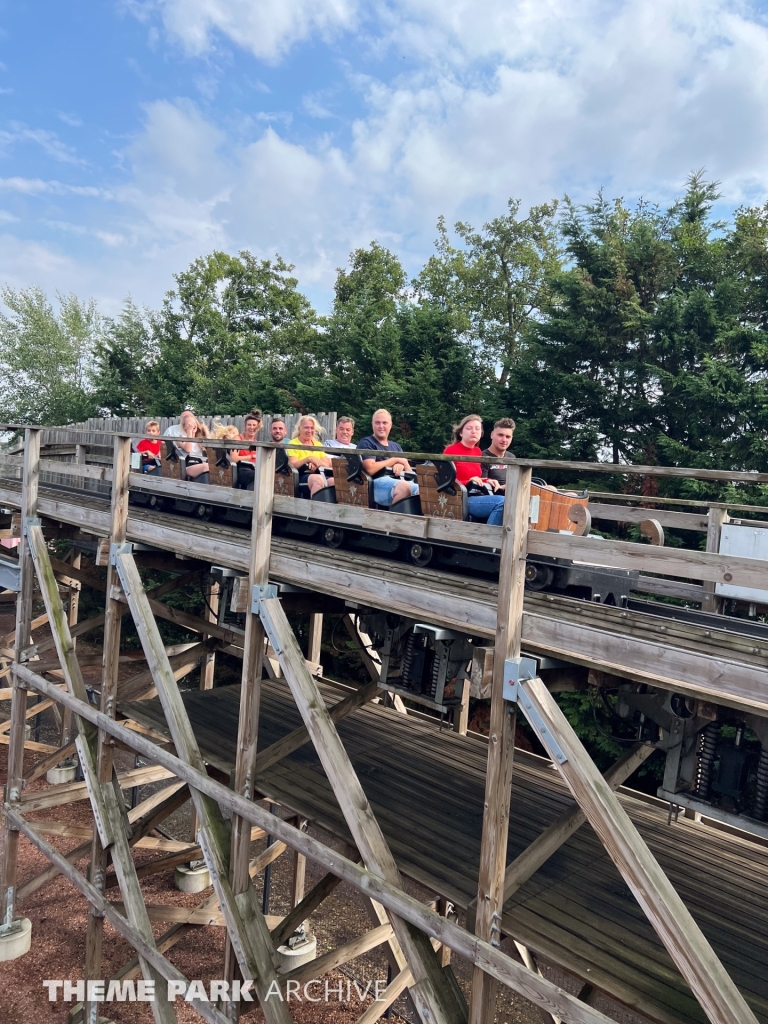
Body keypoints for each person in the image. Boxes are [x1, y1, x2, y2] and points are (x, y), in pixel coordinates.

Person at [444, 414, 505, 525]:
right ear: (461, 433)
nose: (473, 431)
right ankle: (488, 539)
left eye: (477, 429)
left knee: (510, 501)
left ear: (481, 434)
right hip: (459, 498)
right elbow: (445, 481)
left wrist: (487, 480)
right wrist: (468, 482)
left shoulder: (477, 451)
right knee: (502, 502)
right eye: (469, 428)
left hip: (476, 495)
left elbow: (474, 477)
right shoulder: (451, 450)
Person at [358, 409, 418, 507]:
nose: (381, 426)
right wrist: (395, 460)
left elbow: (411, 475)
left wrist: (404, 464)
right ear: (372, 424)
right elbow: (370, 469)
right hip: (374, 483)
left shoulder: (396, 446)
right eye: (377, 423)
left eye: (384, 423)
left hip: (398, 481)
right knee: (404, 487)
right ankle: (392, 520)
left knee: (422, 491)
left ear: (390, 425)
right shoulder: (367, 443)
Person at [305, 416, 355, 496]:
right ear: (336, 430)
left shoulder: (356, 447)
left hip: (353, 477)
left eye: (348, 430)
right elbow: (328, 463)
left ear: (352, 432)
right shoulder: (329, 444)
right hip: (332, 475)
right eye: (341, 429)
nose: (344, 432)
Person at [287, 415, 333, 495]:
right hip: (300, 477)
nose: (309, 430)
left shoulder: (318, 444)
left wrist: (316, 463)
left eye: (312, 428)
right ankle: (315, 507)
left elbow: (327, 465)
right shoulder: (293, 443)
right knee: (318, 480)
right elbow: (292, 465)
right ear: (299, 429)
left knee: (335, 482)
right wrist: (308, 459)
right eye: (306, 427)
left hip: (319, 473)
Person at [164, 411, 210, 481]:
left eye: (193, 423)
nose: (191, 426)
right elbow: (188, 449)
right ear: (184, 426)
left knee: (212, 468)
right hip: (187, 465)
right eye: (189, 424)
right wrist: (189, 432)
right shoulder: (181, 438)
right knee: (207, 466)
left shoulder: (199, 438)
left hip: (200, 463)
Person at [480, 417, 516, 493]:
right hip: (493, 499)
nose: (504, 440)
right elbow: (482, 486)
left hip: (513, 496)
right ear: (492, 435)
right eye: (500, 435)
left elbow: (517, 482)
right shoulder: (482, 457)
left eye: (508, 437)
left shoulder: (512, 457)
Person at [230, 411, 261, 489]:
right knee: (257, 475)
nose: (251, 427)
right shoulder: (237, 439)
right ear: (245, 426)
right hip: (240, 470)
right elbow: (234, 458)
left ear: (257, 428)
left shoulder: (256, 442)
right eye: (249, 425)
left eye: (254, 425)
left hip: (254, 469)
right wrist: (251, 456)